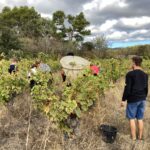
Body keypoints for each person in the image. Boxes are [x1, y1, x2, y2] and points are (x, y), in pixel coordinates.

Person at [121, 56, 148, 140]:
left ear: (134, 63)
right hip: (142, 99)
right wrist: (144, 96)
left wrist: (123, 99)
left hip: (133, 99)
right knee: (140, 118)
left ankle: (133, 138)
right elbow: (146, 88)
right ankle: (140, 137)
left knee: (132, 118)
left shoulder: (130, 74)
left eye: (131, 62)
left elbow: (127, 88)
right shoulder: (145, 74)